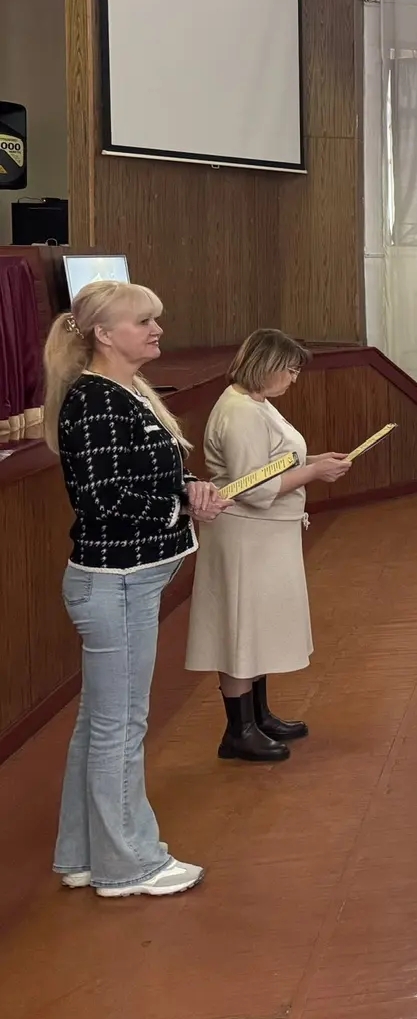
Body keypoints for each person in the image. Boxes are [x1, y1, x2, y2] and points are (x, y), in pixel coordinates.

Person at [44, 280, 231, 898]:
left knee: (101, 723)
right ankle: (129, 866)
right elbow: (102, 500)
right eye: (143, 321)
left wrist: (189, 489)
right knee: (119, 727)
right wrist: (179, 508)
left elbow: (144, 476)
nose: (157, 330)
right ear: (104, 334)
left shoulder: (128, 390)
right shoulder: (96, 400)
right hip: (116, 583)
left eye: (157, 318)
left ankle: (84, 855)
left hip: (130, 580)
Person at [187, 331, 354, 762]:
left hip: (265, 535)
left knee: (257, 626)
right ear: (267, 365)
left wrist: (314, 461)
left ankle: (258, 716)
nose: (294, 379)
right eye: (290, 370)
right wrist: (314, 474)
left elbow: (274, 463)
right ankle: (239, 730)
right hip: (245, 535)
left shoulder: (257, 403)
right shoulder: (240, 411)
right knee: (241, 628)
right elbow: (254, 488)